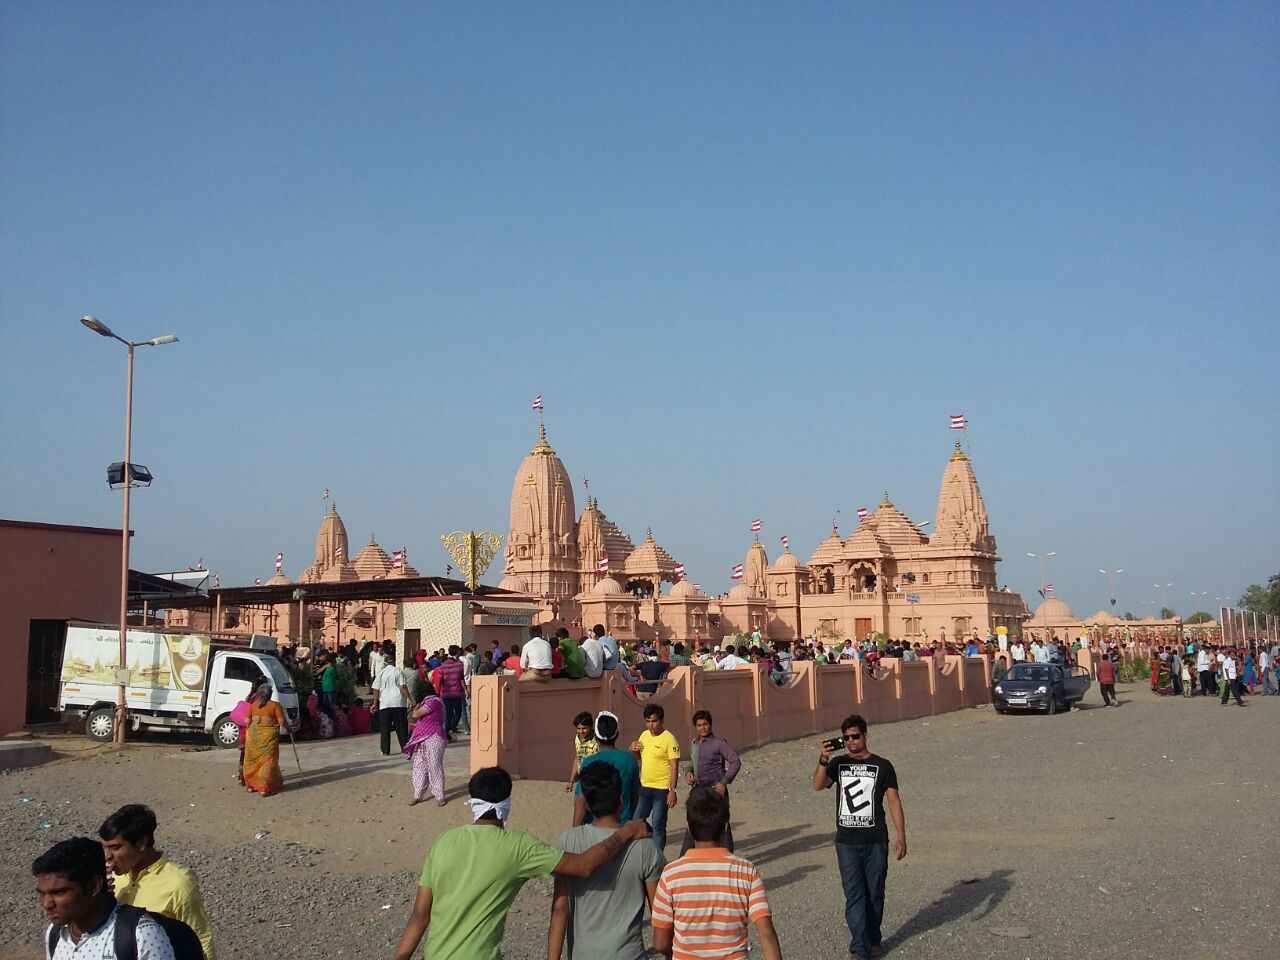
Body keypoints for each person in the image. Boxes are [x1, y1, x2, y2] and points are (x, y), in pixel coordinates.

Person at [391, 766, 651, 960]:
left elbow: (419, 915)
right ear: (508, 803)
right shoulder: (518, 847)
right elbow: (583, 866)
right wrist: (627, 832)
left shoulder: (443, 842)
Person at [651, 786, 782, 960]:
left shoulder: (671, 874)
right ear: (725, 826)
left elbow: (660, 943)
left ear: (689, 827)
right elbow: (766, 932)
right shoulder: (746, 870)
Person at [814, 714, 907, 960]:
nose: (851, 741)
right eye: (846, 738)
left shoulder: (883, 765)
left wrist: (901, 835)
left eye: (855, 736)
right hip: (846, 842)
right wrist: (824, 758)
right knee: (854, 895)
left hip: (876, 840)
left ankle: (873, 938)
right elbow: (818, 784)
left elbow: (894, 800)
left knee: (874, 893)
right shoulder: (838, 763)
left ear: (865, 735)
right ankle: (859, 949)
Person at [549, 763, 664, 960]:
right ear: (621, 801)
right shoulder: (646, 847)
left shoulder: (569, 841)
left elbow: (560, 908)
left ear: (585, 804)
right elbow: (660, 916)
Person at [99, 805, 214, 959]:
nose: (107, 856)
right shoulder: (111, 879)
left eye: (115, 848)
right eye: (105, 848)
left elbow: (200, 937)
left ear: (141, 843)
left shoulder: (177, 883)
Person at [34, 836, 178, 959]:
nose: (47, 903)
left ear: (94, 886)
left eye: (59, 892)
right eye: (42, 893)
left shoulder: (141, 934)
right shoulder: (55, 934)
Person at [679, 710, 741, 854]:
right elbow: (690, 764)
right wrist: (689, 773)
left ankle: (727, 857)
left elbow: (735, 762)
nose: (703, 728)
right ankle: (684, 858)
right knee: (693, 822)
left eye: (705, 724)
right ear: (696, 727)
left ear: (710, 725)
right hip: (699, 790)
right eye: (699, 725)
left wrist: (724, 782)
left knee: (722, 824)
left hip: (716, 790)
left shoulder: (719, 743)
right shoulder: (694, 743)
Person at [574, 711, 641, 826]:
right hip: (622, 825)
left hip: (595, 827)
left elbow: (581, 800)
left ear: (595, 735)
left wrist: (574, 831)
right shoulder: (630, 760)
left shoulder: (588, 762)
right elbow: (635, 796)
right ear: (617, 734)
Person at [631, 704, 680, 851]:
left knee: (659, 823)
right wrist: (633, 750)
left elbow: (674, 766)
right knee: (636, 820)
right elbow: (640, 757)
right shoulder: (644, 735)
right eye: (648, 721)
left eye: (654, 721)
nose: (651, 725)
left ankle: (658, 857)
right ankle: (649, 839)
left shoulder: (670, 739)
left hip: (662, 789)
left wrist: (672, 790)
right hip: (645, 786)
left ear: (661, 720)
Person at [405, 678, 448, 807]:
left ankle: (439, 795)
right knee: (419, 766)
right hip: (422, 738)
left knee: (434, 766)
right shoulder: (429, 701)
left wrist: (416, 708)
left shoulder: (434, 702)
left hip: (434, 737)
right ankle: (417, 794)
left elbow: (416, 714)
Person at [241, 682, 286, 796]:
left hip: (253, 737)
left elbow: (247, 722)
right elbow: (282, 722)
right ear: (270, 694)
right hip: (269, 738)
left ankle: (250, 785)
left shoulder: (253, 705)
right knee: (267, 761)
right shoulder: (275, 705)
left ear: (259, 694)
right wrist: (289, 729)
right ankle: (263, 788)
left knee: (251, 761)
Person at [373, 651, 413, 755]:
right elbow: (403, 687)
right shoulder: (398, 671)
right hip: (398, 703)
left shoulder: (381, 673)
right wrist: (410, 699)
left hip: (385, 704)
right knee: (401, 727)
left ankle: (385, 750)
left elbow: (376, 689)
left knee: (385, 728)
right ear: (394, 662)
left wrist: (375, 703)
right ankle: (405, 748)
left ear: (385, 663)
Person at [435, 646, 467, 736]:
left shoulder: (442, 665)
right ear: (457, 652)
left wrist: (438, 692)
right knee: (458, 713)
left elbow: (440, 680)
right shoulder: (460, 665)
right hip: (457, 693)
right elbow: (461, 679)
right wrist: (465, 690)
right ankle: (451, 728)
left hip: (446, 694)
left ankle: (447, 731)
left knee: (448, 714)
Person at [567, 711, 599, 792]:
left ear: (591, 727)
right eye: (579, 728)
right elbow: (578, 758)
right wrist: (571, 781)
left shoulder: (598, 740)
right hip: (582, 780)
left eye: (584, 728)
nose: (581, 731)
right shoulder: (577, 738)